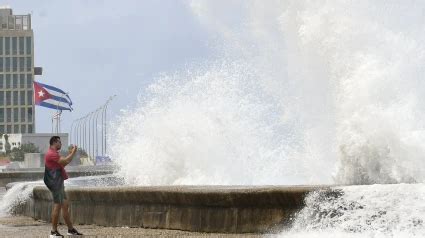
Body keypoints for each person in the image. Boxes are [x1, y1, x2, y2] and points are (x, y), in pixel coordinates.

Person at [44, 136, 83, 237]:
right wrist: (73, 153)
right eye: (59, 142)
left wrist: (68, 157)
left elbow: (62, 165)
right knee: (57, 206)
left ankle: (70, 229)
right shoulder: (52, 154)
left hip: (57, 182)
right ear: (54, 143)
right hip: (55, 183)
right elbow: (65, 161)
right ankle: (53, 231)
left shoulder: (54, 154)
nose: (61, 144)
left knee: (65, 205)